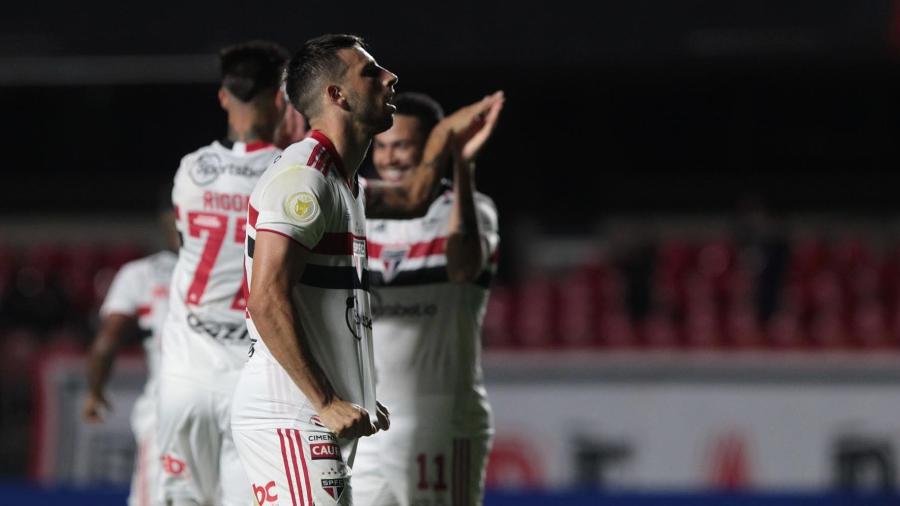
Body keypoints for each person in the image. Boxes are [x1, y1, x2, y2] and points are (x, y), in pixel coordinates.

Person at [230, 34, 503, 506]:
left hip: (317, 416)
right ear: (338, 96)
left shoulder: (345, 183)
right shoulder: (305, 178)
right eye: (371, 72)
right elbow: (265, 298)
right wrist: (326, 400)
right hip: (293, 412)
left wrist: (354, 391)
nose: (389, 77)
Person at [352, 92, 503, 506]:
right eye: (381, 146)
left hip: (442, 419)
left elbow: (463, 268)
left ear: (431, 149)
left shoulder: (470, 211)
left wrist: (464, 166)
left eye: (402, 145)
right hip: (370, 422)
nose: (390, 158)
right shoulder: (360, 214)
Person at [156, 40, 289, 506]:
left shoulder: (192, 170)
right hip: (249, 381)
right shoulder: (287, 174)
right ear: (281, 97)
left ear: (223, 97)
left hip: (184, 381)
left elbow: (186, 240)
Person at [83, 199, 179, 506]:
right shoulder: (241, 265)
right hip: (231, 398)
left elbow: (106, 343)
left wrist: (95, 393)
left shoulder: (141, 274)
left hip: (167, 405)